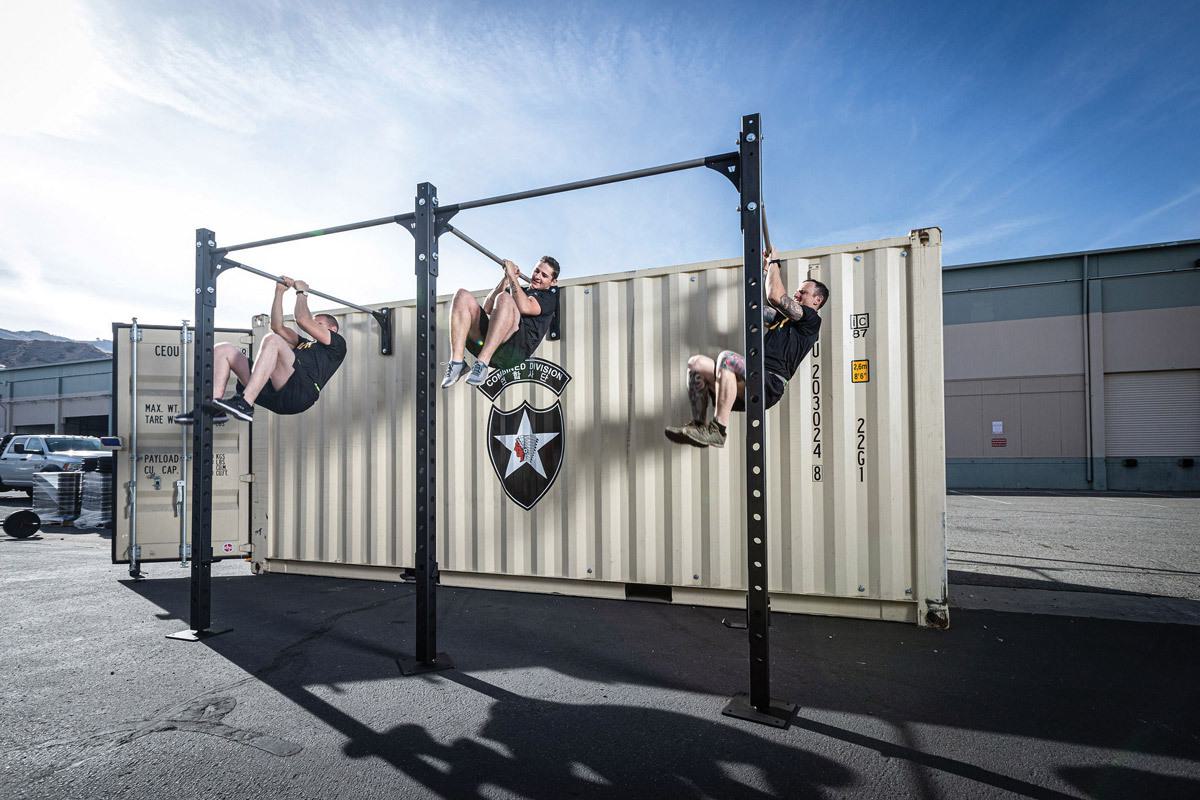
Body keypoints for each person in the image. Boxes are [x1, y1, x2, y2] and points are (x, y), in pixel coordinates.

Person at [665, 251, 827, 448]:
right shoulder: (782, 318)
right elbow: (755, 307)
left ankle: (718, 431)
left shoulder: (811, 321)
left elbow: (776, 296)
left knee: (727, 358)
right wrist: (765, 269)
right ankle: (700, 427)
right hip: (751, 377)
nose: (797, 294)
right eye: (798, 291)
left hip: (770, 383)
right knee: (696, 363)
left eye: (803, 292)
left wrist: (775, 262)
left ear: (817, 300)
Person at [174, 277, 347, 424]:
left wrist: (302, 292)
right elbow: (277, 326)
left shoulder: (337, 346)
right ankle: (213, 410)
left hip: (300, 394)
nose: (314, 326)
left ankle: (245, 403)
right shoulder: (304, 343)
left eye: (319, 324)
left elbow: (302, 319)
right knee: (223, 350)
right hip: (274, 393)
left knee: (273, 340)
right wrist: (279, 292)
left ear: (332, 329)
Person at [442, 256, 561, 387]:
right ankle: (457, 363)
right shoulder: (521, 291)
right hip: (489, 344)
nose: (538, 276)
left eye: (544, 275)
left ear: (553, 282)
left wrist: (512, 277)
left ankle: (482, 363)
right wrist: (505, 279)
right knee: (462, 295)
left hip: (512, 353)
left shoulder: (549, 297)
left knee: (504, 298)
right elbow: (487, 307)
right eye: (536, 271)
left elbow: (525, 306)